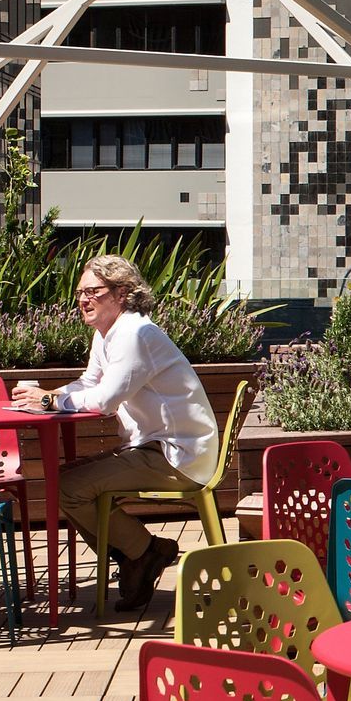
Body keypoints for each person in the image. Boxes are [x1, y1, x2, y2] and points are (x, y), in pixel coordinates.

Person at [14, 255, 218, 612]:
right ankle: (139, 555)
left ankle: (142, 552)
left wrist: (49, 402)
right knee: (65, 480)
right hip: (153, 448)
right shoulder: (108, 333)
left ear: (121, 293)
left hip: (176, 455)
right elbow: (89, 383)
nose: (83, 299)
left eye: (93, 291)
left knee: (67, 487)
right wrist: (48, 397)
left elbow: (106, 400)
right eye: (79, 292)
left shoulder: (136, 334)